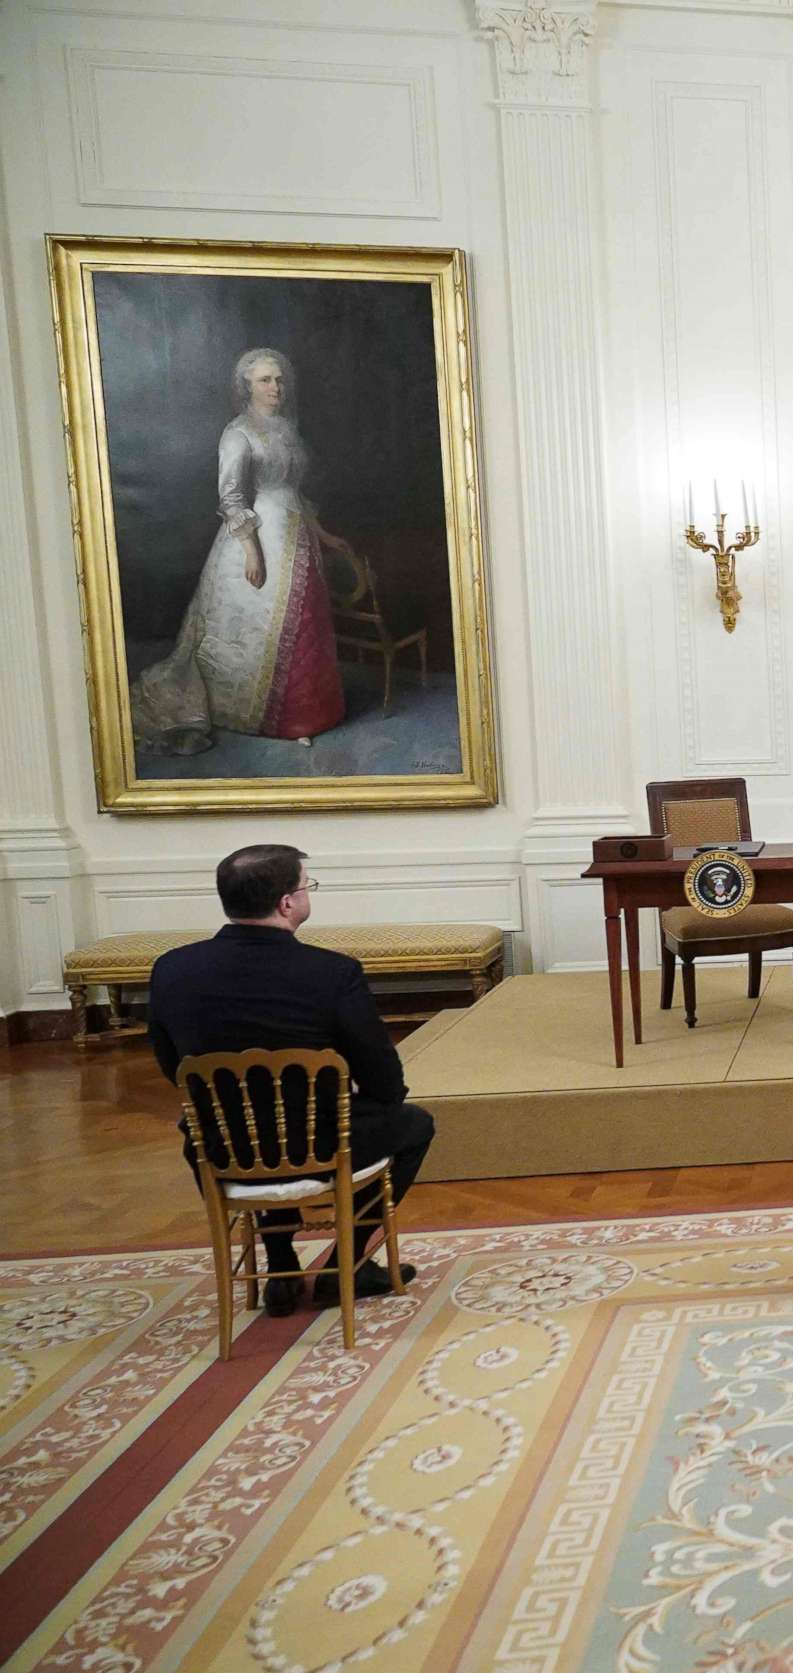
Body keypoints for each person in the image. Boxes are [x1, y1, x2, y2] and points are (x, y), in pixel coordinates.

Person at [147, 844, 430, 1313]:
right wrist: (381, 1101)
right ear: (286, 903)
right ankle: (347, 1263)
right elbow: (381, 1077)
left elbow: (171, 1066)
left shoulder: (172, 969)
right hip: (321, 1145)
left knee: (236, 1128)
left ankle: (279, 1265)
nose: (306, 895)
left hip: (224, 1144)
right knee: (414, 1124)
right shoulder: (332, 973)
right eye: (305, 886)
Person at [131, 348, 347, 755]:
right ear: (246, 386)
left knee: (306, 624)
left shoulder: (286, 428)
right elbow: (231, 496)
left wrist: (324, 534)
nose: (275, 387)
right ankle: (269, 718)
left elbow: (296, 492)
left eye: (279, 379)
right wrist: (251, 550)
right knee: (259, 629)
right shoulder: (237, 432)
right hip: (259, 536)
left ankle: (310, 715)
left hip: (297, 537)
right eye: (265, 380)